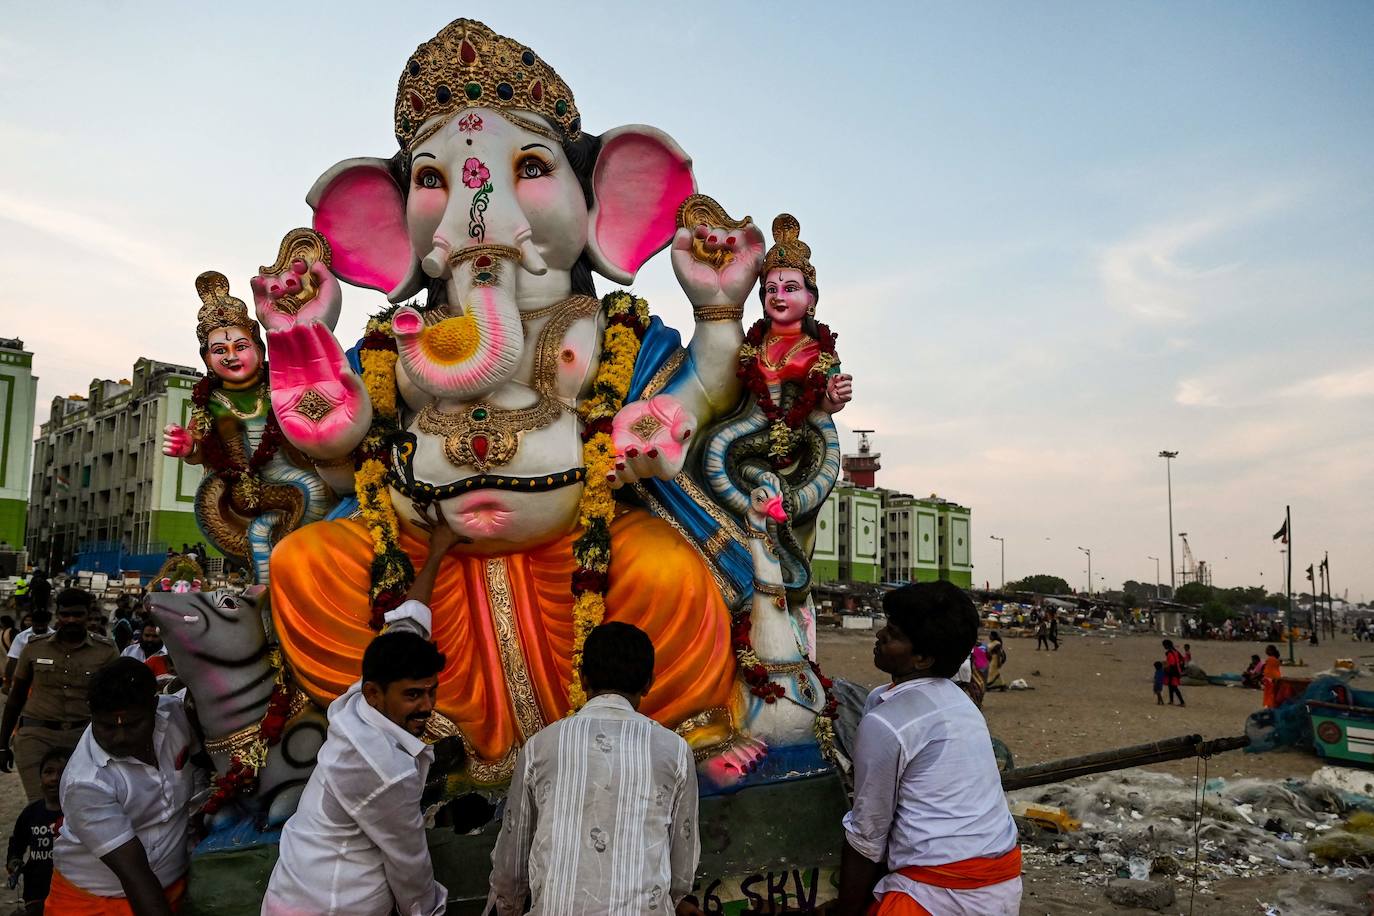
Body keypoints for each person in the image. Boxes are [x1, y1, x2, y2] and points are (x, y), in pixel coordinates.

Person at [262, 522, 454, 916]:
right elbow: (409, 864)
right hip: (333, 904)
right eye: (413, 695)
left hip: (295, 887)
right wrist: (431, 911)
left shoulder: (362, 702)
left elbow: (408, 623)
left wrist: (437, 550)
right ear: (374, 693)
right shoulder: (382, 768)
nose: (426, 706)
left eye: (431, 692)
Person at [488, 622, 703, 916]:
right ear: (648, 683)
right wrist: (679, 899)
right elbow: (681, 870)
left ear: (582, 678)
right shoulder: (674, 750)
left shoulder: (540, 747)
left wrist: (508, 909)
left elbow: (511, 868)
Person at [838, 582, 1022, 915]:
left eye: (892, 634)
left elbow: (867, 835)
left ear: (922, 658)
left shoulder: (888, 723)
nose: (879, 636)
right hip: (1003, 886)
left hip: (940, 894)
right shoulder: (959, 702)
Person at [46, 658, 206, 914]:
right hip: (96, 903)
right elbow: (135, 875)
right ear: (91, 713)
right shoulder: (86, 782)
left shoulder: (176, 716)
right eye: (107, 727)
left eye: (133, 725)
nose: (120, 737)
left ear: (154, 706)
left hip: (172, 888)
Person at [0, 592, 119, 801]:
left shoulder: (106, 651)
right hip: (35, 737)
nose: (71, 620)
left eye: (77, 614)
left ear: (88, 614)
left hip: (83, 739)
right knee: (41, 804)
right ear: (57, 614)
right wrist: (2, 744)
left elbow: (115, 700)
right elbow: (16, 697)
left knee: (76, 805)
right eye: (65, 614)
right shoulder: (34, 647)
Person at [6, 748, 68, 914]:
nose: (55, 778)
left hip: (69, 889)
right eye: (48, 772)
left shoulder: (75, 812)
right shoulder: (30, 813)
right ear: (40, 779)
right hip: (36, 889)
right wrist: (14, 862)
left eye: (62, 772)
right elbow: (17, 842)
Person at [5, 608, 53, 689]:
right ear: (32, 622)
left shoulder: (55, 636)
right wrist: (7, 682)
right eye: (37, 625)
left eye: (43, 625)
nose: (40, 628)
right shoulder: (21, 637)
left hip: (48, 676)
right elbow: (13, 659)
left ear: (48, 623)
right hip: (25, 676)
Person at [1161, 639, 1185, 707]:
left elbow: (1171, 663)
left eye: (1164, 645)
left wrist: (1165, 667)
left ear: (1167, 645)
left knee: (1174, 686)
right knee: (1170, 685)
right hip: (1176, 670)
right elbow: (1181, 659)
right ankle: (1171, 701)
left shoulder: (1170, 653)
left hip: (1173, 671)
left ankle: (1182, 702)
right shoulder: (1175, 651)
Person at [1261, 645, 1283, 709]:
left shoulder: (1270, 659)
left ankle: (1270, 705)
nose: (1266, 651)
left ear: (1271, 651)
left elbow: (1269, 671)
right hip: (1274, 678)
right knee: (1272, 693)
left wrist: (1266, 678)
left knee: (1270, 693)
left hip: (1271, 679)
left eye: (1267, 649)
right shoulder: (1274, 659)